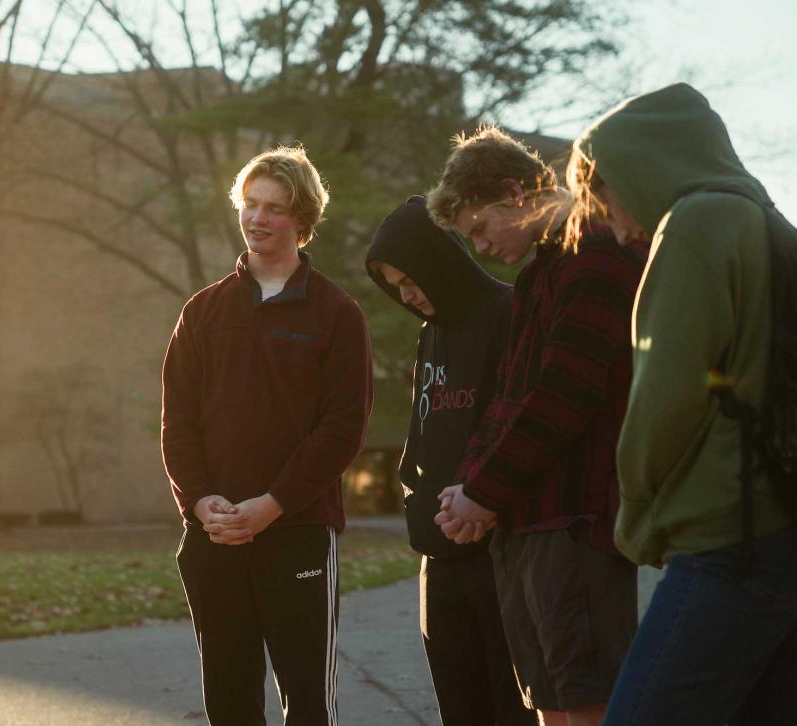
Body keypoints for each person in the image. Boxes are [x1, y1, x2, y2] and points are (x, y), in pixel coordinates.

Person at [566, 82, 797, 726]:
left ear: (643, 168)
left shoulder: (695, 222)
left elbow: (666, 396)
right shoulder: (770, 224)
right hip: (782, 527)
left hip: (728, 538)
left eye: (607, 200)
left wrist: (634, 517)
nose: (616, 225)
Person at [426, 127, 645, 726]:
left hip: (576, 520)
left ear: (515, 192)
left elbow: (565, 397)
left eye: (479, 229)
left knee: (588, 702)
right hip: (525, 521)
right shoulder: (536, 276)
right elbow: (506, 399)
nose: (480, 247)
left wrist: (483, 493)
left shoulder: (595, 253)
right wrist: (469, 486)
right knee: (548, 703)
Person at [161, 146, 374, 725]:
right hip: (214, 535)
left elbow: (342, 431)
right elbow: (177, 424)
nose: (257, 218)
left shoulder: (335, 313)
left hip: (298, 534)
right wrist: (202, 503)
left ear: (301, 220)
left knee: (308, 705)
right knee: (229, 704)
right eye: (250, 204)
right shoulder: (202, 312)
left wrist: (271, 506)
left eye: (274, 208)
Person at [365, 196, 536, 726]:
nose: (407, 295)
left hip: (497, 553)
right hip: (436, 558)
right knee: (458, 709)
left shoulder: (508, 314)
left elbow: (517, 426)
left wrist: (482, 504)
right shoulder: (429, 334)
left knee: (511, 709)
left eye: (410, 279)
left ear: (438, 259)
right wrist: (416, 501)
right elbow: (423, 433)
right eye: (395, 288)